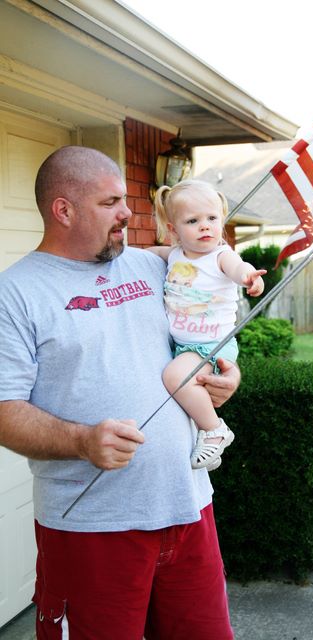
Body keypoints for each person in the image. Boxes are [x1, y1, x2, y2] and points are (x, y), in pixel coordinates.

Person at [0, 146, 241, 640]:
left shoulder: (152, 266)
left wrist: (226, 374)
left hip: (188, 507)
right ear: (64, 210)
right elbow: (4, 410)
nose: (128, 213)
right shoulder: (16, 293)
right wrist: (82, 440)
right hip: (92, 528)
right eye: (110, 202)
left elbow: (203, 330)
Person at [148, 180, 265, 471]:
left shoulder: (220, 256)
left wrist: (249, 277)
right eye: (192, 221)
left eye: (212, 218)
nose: (205, 226)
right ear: (174, 230)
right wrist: (131, 255)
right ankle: (205, 436)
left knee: (176, 376)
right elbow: (154, 253)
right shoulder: (175, 255)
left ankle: (214, 429)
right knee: (184, 382)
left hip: (212, 345)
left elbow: (238, 267)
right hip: (186, 345)